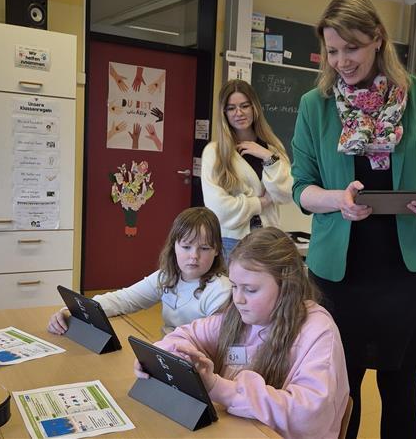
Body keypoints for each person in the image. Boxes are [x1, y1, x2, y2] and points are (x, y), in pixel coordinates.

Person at [290, 0, 416, 437]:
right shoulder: (316, 105)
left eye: (353, 48)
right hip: (339, 273)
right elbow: (301, 188)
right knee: (342, 392)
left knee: (402, 390)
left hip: (409, 271)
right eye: (332, 50)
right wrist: (337, 200)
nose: (341, 61)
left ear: (378, 40)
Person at [136, 227, 349, 439]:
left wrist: (219, 388)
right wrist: (161, 358)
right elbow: (185, 336)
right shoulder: (238, 315)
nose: (238, 299)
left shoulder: (318, 331)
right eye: (234, 286)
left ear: (286, 286)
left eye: (250, 289)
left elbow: (307, 415)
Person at [48, 207, 230, 336]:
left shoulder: (220, 290)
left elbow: (210, 339)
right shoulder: (168, 276)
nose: (194, 256)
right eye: (186, 246)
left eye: (204, 248)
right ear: (174, 246)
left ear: (216, 250)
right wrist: (72, 311)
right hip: (169, 353)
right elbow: (124, 299)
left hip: (195, 360)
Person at [201, 79, 293, 261]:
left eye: (244, 106)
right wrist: (261, 203)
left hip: (270, 239)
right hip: (231, 242)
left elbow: (288, 193)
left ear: (255, 108)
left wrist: (268, 158)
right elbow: (219, 210)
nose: (239, 113)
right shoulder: (214, 152)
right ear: (224, 113)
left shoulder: (273, 148)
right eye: (231, 108)